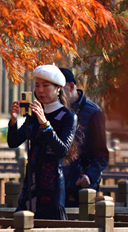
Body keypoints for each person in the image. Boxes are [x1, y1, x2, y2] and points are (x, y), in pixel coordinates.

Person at [7, 64, 78, 219]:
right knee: (22, 223)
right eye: (37, 85)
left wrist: (45, 123)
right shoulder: (33, 115)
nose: (40, 90)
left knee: (52, 227)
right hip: (31, 183)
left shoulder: (68, 117)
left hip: (52, 184)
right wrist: (13, 120)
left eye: (45, 86)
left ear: (58, 88)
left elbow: (62, 151)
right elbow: (14, 142)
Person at [60, 67, 109, 207]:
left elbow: (101, 154)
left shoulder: (94, 112)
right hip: (58, 184)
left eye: (59, 88)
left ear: (71, 87)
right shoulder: (55, 110)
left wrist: (89, 175)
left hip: (82, 185)